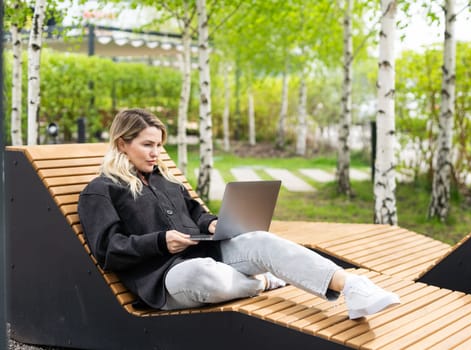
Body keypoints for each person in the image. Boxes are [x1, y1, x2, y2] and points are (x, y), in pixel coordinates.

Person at [78, 108, 400, 319]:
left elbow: (196, 212)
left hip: (209, 254)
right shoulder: (100, 190)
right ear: (122, 143)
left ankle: (354, 288)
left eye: (160, 145)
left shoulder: (165, 180)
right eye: (148, 145)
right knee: (202, 273)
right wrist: (161, 242)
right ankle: (262, 281)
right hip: (165, 279)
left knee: (260, 240)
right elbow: (109, 250)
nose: (156, 153)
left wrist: (213, 222)